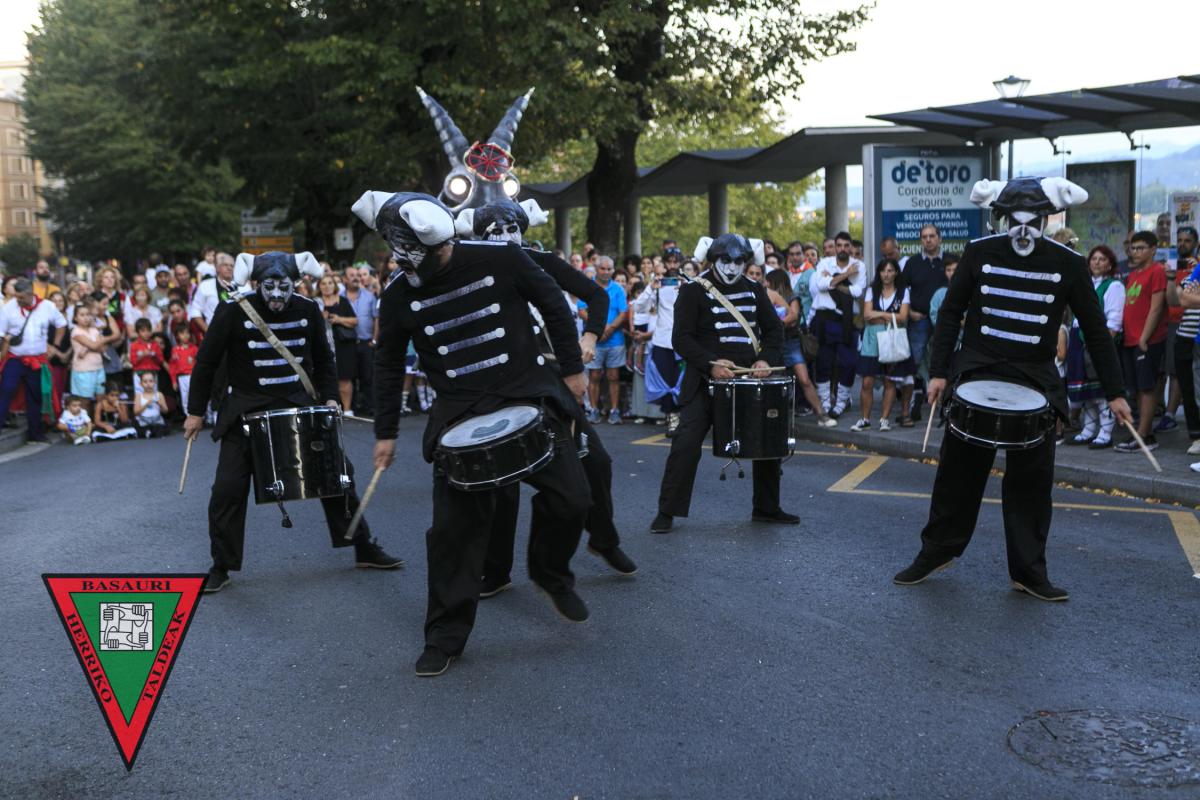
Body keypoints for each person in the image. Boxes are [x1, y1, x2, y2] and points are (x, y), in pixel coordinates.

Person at [358, 189, 592, 677]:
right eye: (434, 248)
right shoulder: (397, 295)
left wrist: (572, 368)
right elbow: (387, 366)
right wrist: (386, 432)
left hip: (525, 392)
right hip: (459, 412)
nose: (445, 252)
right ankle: (444, 636)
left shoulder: (501, 257)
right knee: (452, 535)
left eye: (446, 244)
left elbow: (552, 301)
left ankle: (550, 573)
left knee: (573, 499)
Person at [894, 177, 1130, 602]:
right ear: (1001, 218)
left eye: (1032, 221)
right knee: (956, 475)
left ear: (1046, 219)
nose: (1022, 230)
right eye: (1013, 220)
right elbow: (951, 313)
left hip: (1035, 377)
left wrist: (1115, 392)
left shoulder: (1069, 262)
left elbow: (1095, 329)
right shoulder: (979, 251)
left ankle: (1028, 571)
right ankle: (936, 551)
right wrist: (939, 372)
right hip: (978, 370)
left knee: (1032, 485)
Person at [183, 250, 402, 595]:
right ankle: (220, 565)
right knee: (226, 489)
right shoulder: (233, 309)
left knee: (338, 475)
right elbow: (206, 362)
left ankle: (362, 546)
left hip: (299, 404)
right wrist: (195, 412)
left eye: (283, 286)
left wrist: (330, 398)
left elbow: (324, 360)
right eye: (268, 286)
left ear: (295, 283)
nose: (276, 294)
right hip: (246, 409)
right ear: (256, 283)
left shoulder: (308, 309)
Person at [455, 198, 638, 595]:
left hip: (552, 381)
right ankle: (496, 570)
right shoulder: (469, 271)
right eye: (496, 232)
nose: (506, 238)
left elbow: (597, 296)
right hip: (499, 385)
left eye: (512, 230)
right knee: (503, 480)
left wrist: (590, 338)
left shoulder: (541, 262)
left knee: (597, 461)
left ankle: (603, 539)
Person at [650, 233, 799, 534]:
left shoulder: (755, 290)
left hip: (748, 379)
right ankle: (667, 511)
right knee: (685, 443)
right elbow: (681, 338)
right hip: (705, 381)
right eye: (725, 260)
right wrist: (710, 363)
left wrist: (765, 360)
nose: (732, 267)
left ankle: (767, 508)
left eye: (738, 261)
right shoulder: (693, 291)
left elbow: (774, 331)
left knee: (767, 440)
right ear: (713, 260)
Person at [1066, 245, 1124, 448]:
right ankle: (1088, 429)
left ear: (1110, 264)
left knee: (1100, 389)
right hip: (1078, 339)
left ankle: (1105, 433)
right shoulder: (1086, 283)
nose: (1097, 262)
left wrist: (1102, 346)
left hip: (1097, 341)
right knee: (1086, 391)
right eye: (1094, 258)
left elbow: (1114, 320)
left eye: (1102, 259)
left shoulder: (1114, 286)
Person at [1115, 231, 1167, 453]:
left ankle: (1144, 436)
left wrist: (1144, 338)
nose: (1135, 252)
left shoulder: (1158, 271)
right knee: (1136, 389)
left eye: (1140, 248)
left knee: (1147, 388)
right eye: (1133, 248)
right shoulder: (1134, 274)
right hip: (1130, 339)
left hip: (1147, 340)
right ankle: (1142, 432)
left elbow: (1156, 308)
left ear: (1153, 249)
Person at [850, 258, 915, 432]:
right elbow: (867, 315)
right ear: (879, 273)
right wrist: (891, 315)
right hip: (872, 339)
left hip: (892, 338)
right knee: (867, 381)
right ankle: (865, 419)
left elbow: (903, 317)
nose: (886, 274)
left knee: (890, 381)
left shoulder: (903, 291)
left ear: (896, 273)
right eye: (883, 271)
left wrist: (879, 315)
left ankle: (884, 419)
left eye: (890, 270)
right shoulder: (872, 290)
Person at [764, 267, 832, 428]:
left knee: (804, 379)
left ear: (775, 282)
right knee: (771, 382)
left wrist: (774, 324)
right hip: (773, 343)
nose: (765, 284)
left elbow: (793, 317)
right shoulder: (764, 297)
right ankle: (772, 418)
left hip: (790, 342)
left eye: (768, 281)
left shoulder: (791, 297)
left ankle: (821, 414)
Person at [0, 278, 67, 442]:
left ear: (30, 294)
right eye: (16, 296)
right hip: (15, 358)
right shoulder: (8, 308)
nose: (18, 300)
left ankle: (35, 433)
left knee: (35, 396)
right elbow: (0, 333)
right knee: (6, 390)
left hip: (37, 360)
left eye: (21, 297)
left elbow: (61, 324)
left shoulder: (47, 307)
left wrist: (55, 345)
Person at [809, 231, 866, 418]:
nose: (842, 249)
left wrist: (834, 280)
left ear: (850, 247)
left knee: (849, 362)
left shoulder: (859, 265)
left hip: (847, 320)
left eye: (846, 245)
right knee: (823, 362)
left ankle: (841, 401)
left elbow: (857, 291)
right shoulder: (825, 263)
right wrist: (846, 275)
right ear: (835, 247)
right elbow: (821, 285)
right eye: (839, 245)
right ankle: (825, 402)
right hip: (825, 318)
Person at [631, 255, 684, 433]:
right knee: (667, 381)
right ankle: (672, 418)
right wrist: (651, 287)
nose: (673, 265)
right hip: (663, 341)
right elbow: (639, 307)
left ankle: (685, 418)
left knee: (684, 380)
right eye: (669, 262)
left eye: (676, 262)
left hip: (685, 342)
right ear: (664, 265)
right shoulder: (659, 287)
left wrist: (687, 285)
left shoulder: (689, 285)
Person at [902, 224, 948, 421]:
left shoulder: (949, 261)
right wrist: (909, 312)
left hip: (944, 321)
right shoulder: (912, 263)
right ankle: (916, 398)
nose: (928, 240)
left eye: (931, 236)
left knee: (943, 358)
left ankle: (945, 403)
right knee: (915, 359)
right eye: (924, 237)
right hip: (919, 318)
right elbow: (902, 290)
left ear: (939, 238)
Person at [1166, 227, 1200, 451]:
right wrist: (1171, 280)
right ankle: (1195, 435)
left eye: (1188, 240)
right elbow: (1175, 300)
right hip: (1184, 337)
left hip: (1197, 340)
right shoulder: (1192, 275)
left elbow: (1186, 299)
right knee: (1188, 389)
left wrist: (1189, 296)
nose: (1182, 244)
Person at [584, 255, 628, 424]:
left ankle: (614, 411)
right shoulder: (587, 285)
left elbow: (623, 313)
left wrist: (608, 329)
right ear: (596, 269)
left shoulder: (618, 289)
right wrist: (599, 328)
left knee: (613, 376)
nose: (606, 272)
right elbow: (581, 310)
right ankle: (594, 410)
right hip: (593, 339)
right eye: (603, 268)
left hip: (615, 340)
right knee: (594, 376)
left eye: (609, 269)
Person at [316, 274, 358, 413]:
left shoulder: (343, 301)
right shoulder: (315, 303)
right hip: (323, 345)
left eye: (330, 283)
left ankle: (347, 410)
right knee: (326, 377)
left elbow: (355, 321)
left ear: (334, 285)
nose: (327, 286)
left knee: (344, 379)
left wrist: (338, 319)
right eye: (323, 283)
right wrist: (320, 319)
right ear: (319, 286)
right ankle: (329, 410)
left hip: (343, 345)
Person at [341, 266, 377, 416]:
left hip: (365, 342)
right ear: (344, 279)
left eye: (357, 275)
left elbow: (376, 319)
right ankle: (351, 406)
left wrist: (374, 339)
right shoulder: (339, 297)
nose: (356, 278)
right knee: (349, 376)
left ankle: (369, 407)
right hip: (345, 344)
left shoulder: (369, 296)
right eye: (352, 275)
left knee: (367, 376)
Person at [70, 304, 118, 406]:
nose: (86, 317)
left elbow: (103, 348)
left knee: (101, 398)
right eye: (82, 315)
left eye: (88, 314)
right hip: (83, 370)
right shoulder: (76, 332)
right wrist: (98, 342)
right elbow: (95, 345)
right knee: (85, 401)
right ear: (75, 318)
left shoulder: (94, 330)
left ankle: (97, 416)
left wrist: (87, 348)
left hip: (99, 368)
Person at [169, 323, 198, 414]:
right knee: (185, 397)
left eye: (187, 333)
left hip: (193, 376)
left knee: (196, 395)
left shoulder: (194, 348)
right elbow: (172, 367)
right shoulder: (175, 350)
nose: (185, 335)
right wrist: (174, 381)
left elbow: (198, 364)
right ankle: (188, 415)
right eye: (182, 333)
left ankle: (200, 415)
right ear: (177, 336)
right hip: (182, 377)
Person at [132, 371, 169, 438]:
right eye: (145, 382)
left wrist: (160, 405)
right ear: (141, 384)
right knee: (139, 428)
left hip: (157, 420)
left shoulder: (159, 394)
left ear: (155, 382)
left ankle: (153, 432)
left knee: (161, 427)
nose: (148, 384)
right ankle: (148, 432)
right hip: (144, 421)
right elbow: (136, 412)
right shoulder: (139, 396)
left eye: (151, 381)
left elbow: (166, 411)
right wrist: (146, 404)